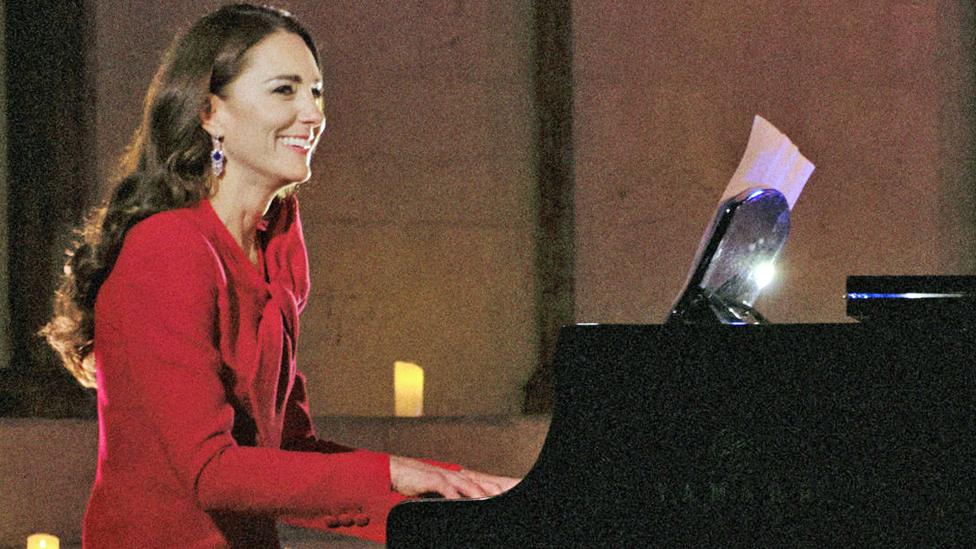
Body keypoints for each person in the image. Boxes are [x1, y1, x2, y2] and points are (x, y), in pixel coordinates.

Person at [42, 4, 518, 547]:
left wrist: (452, 491)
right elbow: (212, 473)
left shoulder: (275, 248)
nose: (313, 114)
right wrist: (394, 473)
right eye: (284, 90)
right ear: (209, 112)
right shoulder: (168, 249)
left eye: (316, 92)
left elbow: (289, 455)